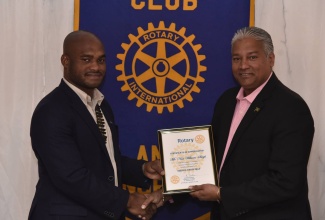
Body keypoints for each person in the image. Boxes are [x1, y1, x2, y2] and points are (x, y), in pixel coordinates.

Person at [29, 30, 165, 220]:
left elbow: (104, 160)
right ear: (65, 61)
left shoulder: (101, 105)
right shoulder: (52, 110)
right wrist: (126, 200)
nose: (96, 67)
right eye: (86, 59)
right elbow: (70, 176)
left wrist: (143, 169)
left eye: (101, 60)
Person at [189, 26, 314, 219]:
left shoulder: (291, 108)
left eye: (252, 57)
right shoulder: (226, 101)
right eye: (237, 58)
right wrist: (170, 189)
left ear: (270, 60)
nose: (243, 65)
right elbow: (210, 160)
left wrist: (222, 194)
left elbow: (286, 181)